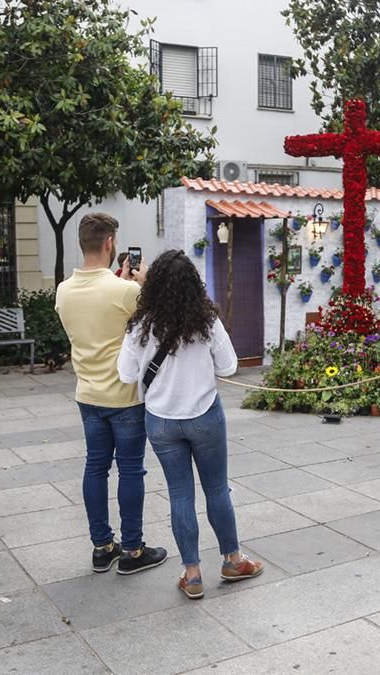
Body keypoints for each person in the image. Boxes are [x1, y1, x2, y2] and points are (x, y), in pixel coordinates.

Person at [118, 250, 263, 599]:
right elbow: (229, 367)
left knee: (180, 495)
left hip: (161, 421)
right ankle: (232, 560)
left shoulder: (141, 324)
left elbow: (125, 374)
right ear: (193, 284)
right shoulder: (206, 321)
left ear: (153, 284)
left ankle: (193, 574)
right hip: (204, 415)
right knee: (217, 489)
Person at [55, 213, 167, 575]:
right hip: (125, 396)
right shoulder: (125, 291)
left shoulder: (63, 290)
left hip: (87, 394)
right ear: (110, 243)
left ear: (82, 243)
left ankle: (102, 547)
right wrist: (143, 281)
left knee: (95, 467)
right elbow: (156, 321)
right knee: (131, 470)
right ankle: (133, 550)